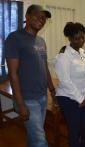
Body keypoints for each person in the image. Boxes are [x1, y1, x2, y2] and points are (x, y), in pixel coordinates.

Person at [5, 4, 55, 147]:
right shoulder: (15, 38)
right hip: (27, 99)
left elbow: (45, 68)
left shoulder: (41, 41)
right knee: (40, 141)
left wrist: (52, 91)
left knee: (33, 137)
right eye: (38, 15)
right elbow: (12, 73)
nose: (42, 19)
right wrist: (20, 103)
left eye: (44, 18)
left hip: (42, 96)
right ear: (27, 16)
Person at [54, 22, 85, 147]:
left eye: (83, 37)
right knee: (74, 131)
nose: (81, 41)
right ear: (70, 38)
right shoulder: (64, 55)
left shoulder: (81, 52)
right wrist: (79, 98)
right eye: (77, 38)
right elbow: (65, 80)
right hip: (69, 98)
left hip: (84, 96)